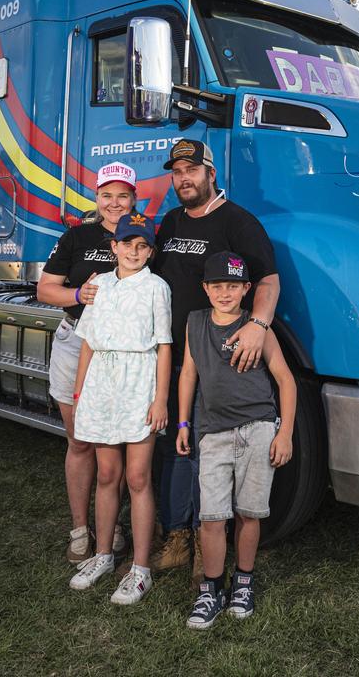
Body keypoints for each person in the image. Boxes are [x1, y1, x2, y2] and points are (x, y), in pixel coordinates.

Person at [150, 139, 279, 581]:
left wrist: (258, 326)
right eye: (177, 172)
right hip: (177, 355)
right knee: (176, 444)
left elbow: (269, 280)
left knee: (218, 447)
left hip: (224, 364)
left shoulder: (238, 222)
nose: (184, 178)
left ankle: (215, 543)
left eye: (192, 170)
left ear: (211, 174)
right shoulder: (169, 223)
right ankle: (178, 536)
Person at [177, 251, 296, 629]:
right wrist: (183, 424)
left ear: (246, 289)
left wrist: (285, 433)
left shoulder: (257, 328)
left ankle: (243, 581)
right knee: (211, 517)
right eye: (217, 286)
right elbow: (188, 377)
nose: (225, 293)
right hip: (213, 433)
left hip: (258, 430)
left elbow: (286, 381)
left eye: (233, 286)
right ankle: (211, 588)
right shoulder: (195, 324)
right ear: (205, 289)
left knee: (249, 513)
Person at [69, 212, 172, 605]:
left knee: (138, 477)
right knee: (107, 473)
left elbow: (164, 345)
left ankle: (140, 569)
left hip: (138, 384)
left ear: (150, 251)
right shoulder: (98, 285)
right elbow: (88, 343)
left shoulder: (156, 288)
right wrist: (81, 396)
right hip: (101, 385)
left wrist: (160, 398)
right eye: (127, 243)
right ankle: (103, 555)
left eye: (142, 245)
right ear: (114, 246)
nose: (134, 251)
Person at [37, 162, 137, 563]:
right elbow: (46, 289)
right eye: (107, 196)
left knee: (119, 443)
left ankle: (114, 526)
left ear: (134, 199)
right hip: (76, 341)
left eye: (123, 196)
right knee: (80, 441)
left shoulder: (143, 236)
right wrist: (80, 295)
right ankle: (81, 529)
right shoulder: (77, 236)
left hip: (124, 350)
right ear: (97, 198)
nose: (114, 204)